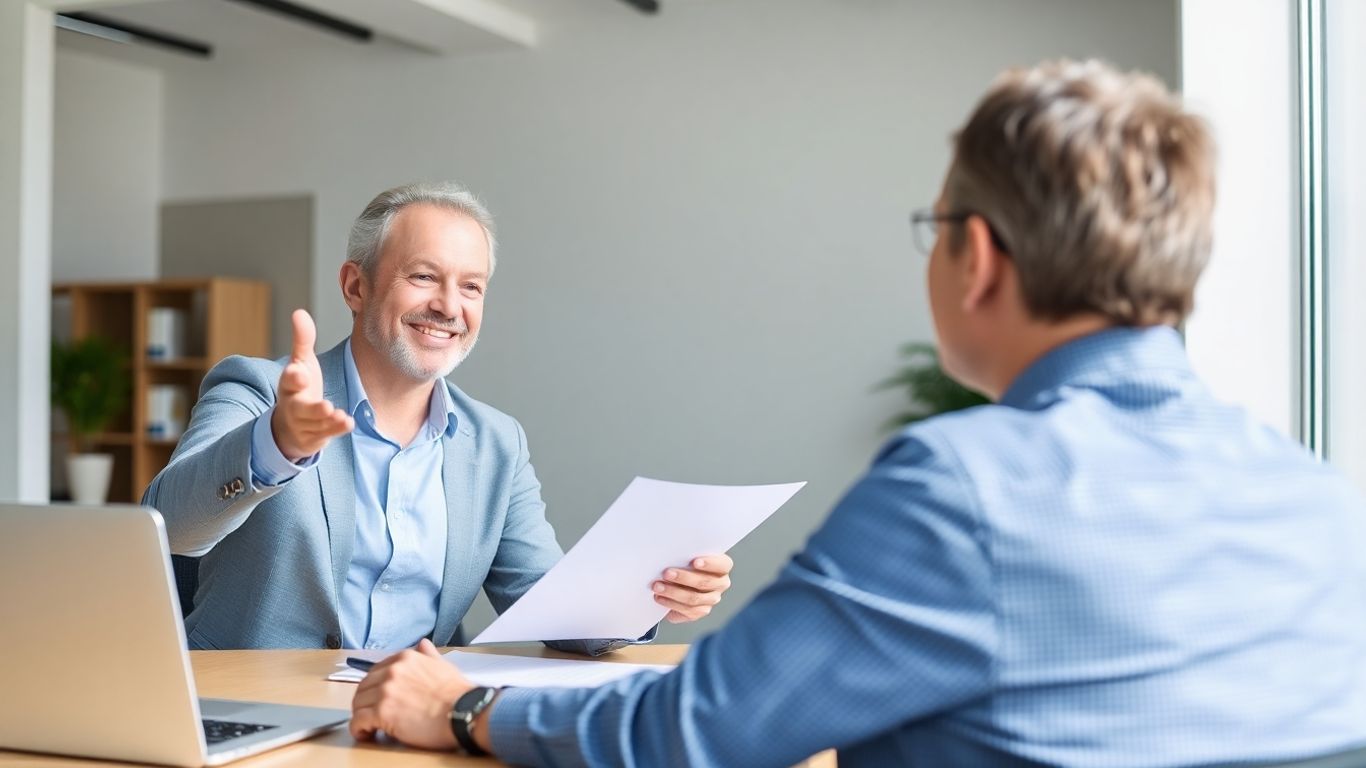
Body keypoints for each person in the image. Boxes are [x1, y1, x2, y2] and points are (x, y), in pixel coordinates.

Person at [348, 60, 1366, 767]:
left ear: (977, 257)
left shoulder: (965, 487)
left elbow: (693, 734)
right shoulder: (1317, 495)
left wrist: (467, 708)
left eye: (934, 228)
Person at [142, 182, 734, 654]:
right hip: (255, 713)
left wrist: (650, 597)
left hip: (413, 718)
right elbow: (171, 524)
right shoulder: (257, 389)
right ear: (355, 285)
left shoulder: (497, 443)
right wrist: (276, 445)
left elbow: (545, 599)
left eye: (471, 286)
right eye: (423, 276)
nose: (449, 307)